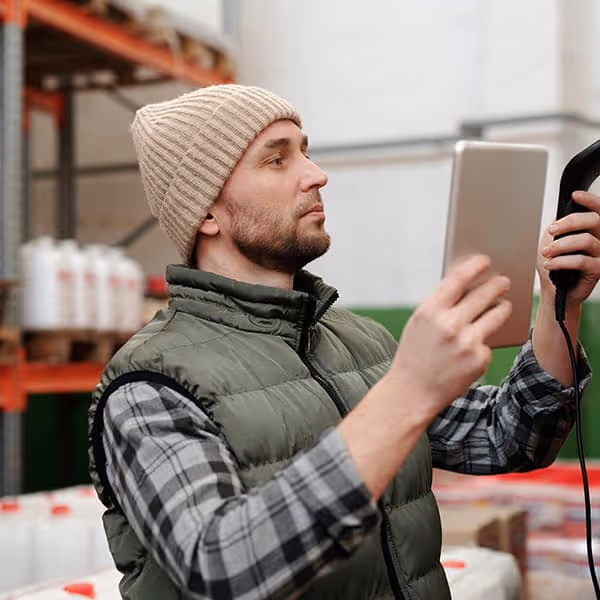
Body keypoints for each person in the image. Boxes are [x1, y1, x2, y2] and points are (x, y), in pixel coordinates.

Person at [88, 84, 600, 600]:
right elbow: (226, 570)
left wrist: (562, 307)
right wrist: (408, 392)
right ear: (206, 215)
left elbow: (507, 437)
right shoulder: (148, 384)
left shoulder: (360, 342)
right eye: (276, 160)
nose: (316, 174)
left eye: (305, 152)